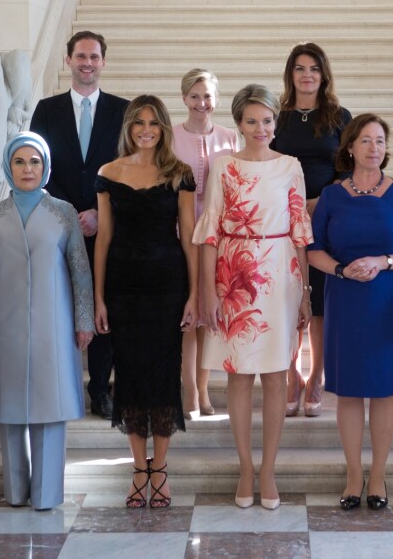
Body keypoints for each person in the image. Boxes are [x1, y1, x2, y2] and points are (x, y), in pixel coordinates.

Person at [194, 84, 312, 510]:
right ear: (239, 123)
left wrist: (305, 294)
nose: (260, 128)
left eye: (267, 120)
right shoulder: (223, 167)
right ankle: (246, 468)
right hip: (234, 273)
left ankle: (269, 470)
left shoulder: (291, 166)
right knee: (240, 376)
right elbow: (209, 231)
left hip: (281, 275)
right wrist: (207, 289)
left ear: (275, 123)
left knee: (278, 375)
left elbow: (300, 230)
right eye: (251, 120)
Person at [0, 131, 94, 511]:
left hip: (54, 323)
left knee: (50, 406)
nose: (27, 169)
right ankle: (16, 490)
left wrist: (84, 318)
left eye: (34, 161)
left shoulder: (64, 212)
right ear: (8, 166)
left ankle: (47, 494)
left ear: (46, 166)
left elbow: (80, 271)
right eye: (20, 161)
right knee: (10, 409)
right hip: (1, 321)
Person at [94, 95, 198, 508]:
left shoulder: (181, 174)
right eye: (139, 122)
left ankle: (162, 469)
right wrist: (99, 298)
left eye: (154, 122)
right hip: (123, 286)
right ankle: (140, 469)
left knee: (162, 377)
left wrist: (194, 295)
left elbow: (189, 237)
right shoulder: (108, 173)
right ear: (128, 127)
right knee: (132, 378)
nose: (146, 129)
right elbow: (103, 239)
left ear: (164, 127)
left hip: (168, 286)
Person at [308, 113, 393, 511]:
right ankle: (354, 476)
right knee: (349, 391)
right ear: (349, 147)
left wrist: (383, 261)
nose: (374, 148)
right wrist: (340, 268)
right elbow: (313, 249)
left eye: (380, 141)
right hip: (344, 296)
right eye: (366, 140)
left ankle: (379, 476)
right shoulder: (331, 196)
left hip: (386, 298)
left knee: (384, 393)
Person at [30, 30, 129, 420]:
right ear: (68, 60)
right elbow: (34, 166)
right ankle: (59, 384)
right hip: (58, 225)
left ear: (104, 61)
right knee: (60, 306)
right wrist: (70, 213)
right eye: (80, 56)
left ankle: (100, 388)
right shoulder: (46, 109)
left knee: (105, 305)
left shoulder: (123, 111)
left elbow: (130, 169)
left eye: (94, 56)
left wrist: (101, 212)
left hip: (108, 227)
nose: (87, 62)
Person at [271, 42, 352, 417]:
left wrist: (321, 201)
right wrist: (287, 204)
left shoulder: (338, 116)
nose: (307, 75)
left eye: (313, 69)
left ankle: (316, 375)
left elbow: (347, 170)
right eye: (300, 68)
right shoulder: (277, 116)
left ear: (323, 75)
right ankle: (292, 376)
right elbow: (264, 162)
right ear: (291, 74)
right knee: (285, 298)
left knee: (317, 301)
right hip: (279, 218)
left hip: (325, 217)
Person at [172, 68, 240, 419]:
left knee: (208, 316)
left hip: (218, 236)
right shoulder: (170, 136)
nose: (202, 103)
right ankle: (189, 392)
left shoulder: (230, 136)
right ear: (184, 98)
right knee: (189, 313)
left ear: (217, 100)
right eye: (195, 96)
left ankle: (204, 388)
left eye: (208, 96)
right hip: (180, 233)